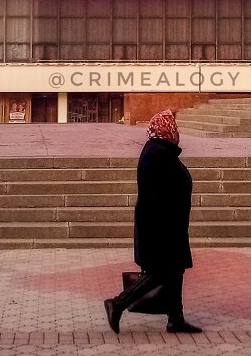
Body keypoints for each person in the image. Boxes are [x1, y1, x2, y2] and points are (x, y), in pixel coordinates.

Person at [104, 109, 202, 335]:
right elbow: (158, 195)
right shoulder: (157, 153)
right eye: (173, 125)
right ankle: (117, 303)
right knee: (161, 271)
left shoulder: (160, 150)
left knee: (175, 270)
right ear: (165, 128)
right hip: (161, 226)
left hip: (168, 224)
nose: (176, 130)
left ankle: (175, 319)